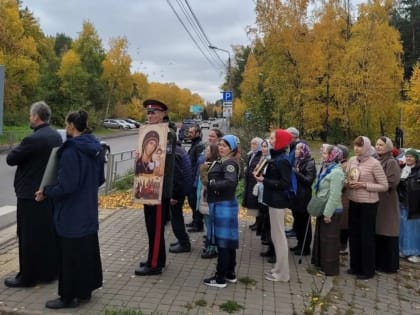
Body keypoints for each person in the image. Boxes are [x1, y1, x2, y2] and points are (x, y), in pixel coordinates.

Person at [35, 110, 105, 309]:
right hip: (88, 210)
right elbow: (100, 179)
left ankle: (69, 297)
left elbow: (67, 186)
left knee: (70, 255)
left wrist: (46, 191)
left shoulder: (71, 151)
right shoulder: (96, 147)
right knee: (86, 253)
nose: (66, 128)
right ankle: (85, 291)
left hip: (72, 213)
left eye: (67, 124)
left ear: (72, 126)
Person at [5, 101, 62, 288]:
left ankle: (27, 277)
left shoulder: (32, 139)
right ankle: (48, 273)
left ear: (36, 116)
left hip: (29, 195)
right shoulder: (56, 136)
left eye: (30, 115)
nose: (30, 118)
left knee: (28, 237)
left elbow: (11, 159)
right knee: (46, 235)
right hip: (48, 193)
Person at [135, 99, 177, 276]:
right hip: (147, 188)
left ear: (162, 115)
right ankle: (155, 257)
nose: (150, 115)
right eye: (148, 113)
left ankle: (155, 265)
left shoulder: (168, 133)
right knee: (150, 227)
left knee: (157, 227)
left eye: (154, 113)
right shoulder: (149, 131)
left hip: (158, 190)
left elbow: (162, 161)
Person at [345, 136, 388, 280]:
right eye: (355, 146)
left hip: (368, 205)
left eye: (360, 146)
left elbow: (384, 186)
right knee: (354, 235)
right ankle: (355, 266)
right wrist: (347, 183)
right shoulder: (352, 160)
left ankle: (368, 270)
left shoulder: (374, 164)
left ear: (367, 147)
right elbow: (348, 177)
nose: (357, 149)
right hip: (353, 201)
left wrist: (364, 185)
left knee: (366, 237)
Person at [255, 129, 293, 282]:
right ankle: (278, 268)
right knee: (276, 236)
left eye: (272, 138)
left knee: (279, 237)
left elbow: (285, 183)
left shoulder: (282, 160)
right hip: (272, 200)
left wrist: (264, 180)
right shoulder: (276, 158)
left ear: (280, 141)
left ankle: (283, 274)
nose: (270, 141)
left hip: (278, 202)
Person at [204, 135, 240, 288]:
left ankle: (220, 278)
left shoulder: (229, 163)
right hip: (222, 204)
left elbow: (230, 182)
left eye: (225, 145)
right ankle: (230, 273)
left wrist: (212, 183)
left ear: (231, 148)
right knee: (228, 241)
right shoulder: (222, 161)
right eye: (220, 144)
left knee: (223, 242)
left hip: (223, 205)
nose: (221, 147)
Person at [311, 145, 345, 276]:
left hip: (332, 210)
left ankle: (330, 268)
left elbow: (335, 195)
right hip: (323, 206)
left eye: (325, 153)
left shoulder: (336, 172)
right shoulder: (327, 169)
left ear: (333, 156)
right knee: (322, 237)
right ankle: (320, 263)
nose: (322, 155)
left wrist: (328, 213)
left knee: (329, 240)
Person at [375, 136, 401, 273]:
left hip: (387, 200)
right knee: (378, 231)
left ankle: (389, 265)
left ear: (388, 147)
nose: (378, 147)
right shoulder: (376, 159)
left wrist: (376, 184)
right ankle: (378, 262)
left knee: (387, 231)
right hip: (377, 199)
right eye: (377, 144)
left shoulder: (391, 162)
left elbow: (393, 181)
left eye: (381, 145)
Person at [290, 142, 316, 256]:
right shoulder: (297, 161)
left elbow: (308, 181)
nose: (296, 151)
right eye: (296, 149)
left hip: (304, 197)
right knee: (298, 221)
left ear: (304, 151)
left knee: (304, 223)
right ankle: (299, 243)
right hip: (296, 196)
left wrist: (296, 173)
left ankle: (305, 247)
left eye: (299, 149)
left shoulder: (310, 163)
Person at [168, 141, 193, 253]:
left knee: (176, 217)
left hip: (178, 191)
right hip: (183, 189)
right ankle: (181, 240)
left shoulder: (173, 152)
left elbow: (176, 176)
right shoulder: (178, 149)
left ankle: (184, 243)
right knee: (177, 216)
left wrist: (174, 195)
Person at [254, 139, 275, 261]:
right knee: (266, 222)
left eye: (266, 146)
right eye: (262, 146)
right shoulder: (264, 158)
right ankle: (269, 247)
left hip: (269, 195)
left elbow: (266, 176)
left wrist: (261, 177)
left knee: (270, 223)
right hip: (263, 193)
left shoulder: (270, 159)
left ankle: (273, 250)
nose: (263, 149)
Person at [198, 143, 220, 259]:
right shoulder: (208, 164)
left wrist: (203, 169)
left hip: (209, 199)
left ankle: (213, 247)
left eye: (208, 150)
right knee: (208, 223)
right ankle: (210, 244)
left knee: (211, 224)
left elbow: (206, 182)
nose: (206, 152)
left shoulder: (211, 166)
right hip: (206, 198)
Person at [398, 149, 420, 262]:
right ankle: (403, 250)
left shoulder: (418, 171)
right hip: (402, 204)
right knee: (403, 228)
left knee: (414, 230)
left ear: (416, 158)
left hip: (414, 205)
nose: (408, 158)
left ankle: (415, 253)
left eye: (411, 157)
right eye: (407, 156)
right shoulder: (402, 170)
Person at [186, 124, 205, 233]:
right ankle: (194, 221)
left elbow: (199, 164)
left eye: (191, 133)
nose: (189, 134)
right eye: (189, 132)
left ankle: (198, 224)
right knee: (192, 201)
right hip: (191, 177)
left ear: (197, 133)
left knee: (195, 202)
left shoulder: (199, 146)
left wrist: (195, 178)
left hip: (195, 178)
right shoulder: (194, 144)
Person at [243, 137, 263, 229]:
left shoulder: (260, 155)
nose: (253, 146)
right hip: (250, 182)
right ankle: (256, 221)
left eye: (255, 144)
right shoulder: (251, 154)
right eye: (252, 144)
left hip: (255, 182)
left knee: (256, 204)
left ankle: (259, 223)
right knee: (252, 204)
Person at [336, 144, 350, 255]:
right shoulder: (338, 164)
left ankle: (343, 245)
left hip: (344, 197)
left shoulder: (345, 165)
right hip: (338, 196)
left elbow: (345, 182)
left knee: (343, 223)